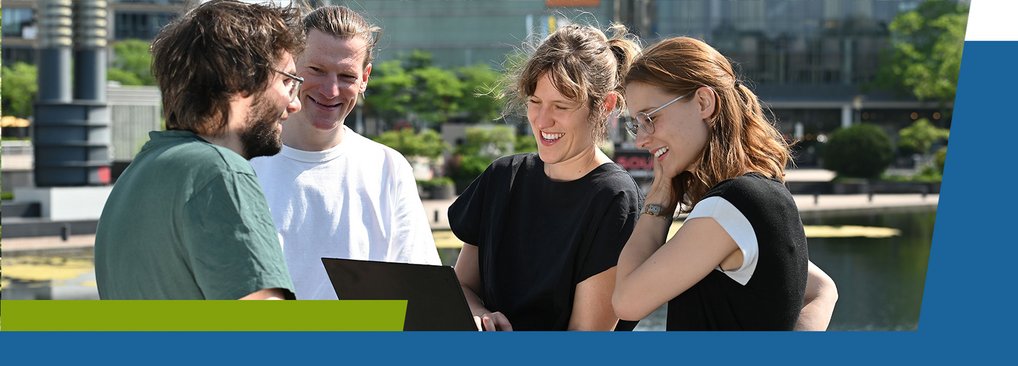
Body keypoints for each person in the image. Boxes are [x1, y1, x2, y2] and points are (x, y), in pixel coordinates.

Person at [612, 36, 838, 330]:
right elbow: (823, 289)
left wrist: (659, 199)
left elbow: (626, 303)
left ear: (704, 102)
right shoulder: (763, 195)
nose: (641, 139)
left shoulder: (729, 208)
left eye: (650, 118)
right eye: (635, 124)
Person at [94, 0, 304, 300]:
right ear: (242, 77)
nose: (294, 104)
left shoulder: (137, 174)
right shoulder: (220, 171)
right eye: (288, 82)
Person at [449, 24, 644, 331]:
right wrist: (478, 314)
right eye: (535, 102)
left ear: (604, 106)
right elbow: (461, 287)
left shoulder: (614, 197)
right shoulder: (502, 177)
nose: (541, 121)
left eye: (561, 106)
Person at [250, 5, 440, 300]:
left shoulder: (388, 168)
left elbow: (421, 294)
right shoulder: (241, 162)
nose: (331, 90)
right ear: (290, 66)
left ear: (365, 77)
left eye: (346, 76)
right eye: (317, 70)